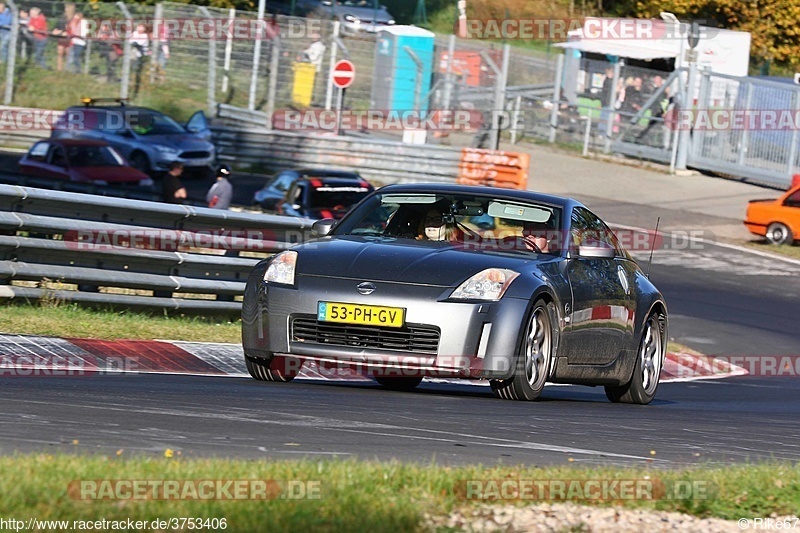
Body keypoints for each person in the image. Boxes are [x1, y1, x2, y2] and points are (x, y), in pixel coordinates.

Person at [52, 3, 76, 72]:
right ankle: (59, 69)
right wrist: (55, 30)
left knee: (68, 55)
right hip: (62, 38)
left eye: (67, 8)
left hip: (70, 40)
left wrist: (66, 32)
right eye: (65, 8)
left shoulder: (74, 19)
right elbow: (58, 26)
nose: (65, 9)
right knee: (60, 53)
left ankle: (68, 70)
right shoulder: (62, 17)